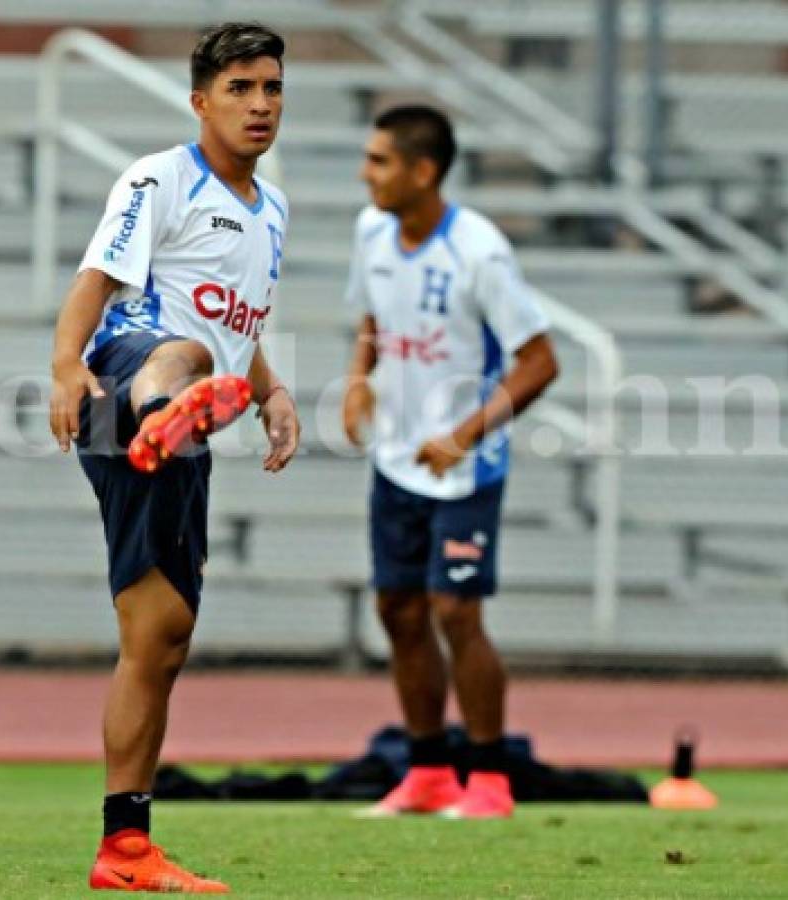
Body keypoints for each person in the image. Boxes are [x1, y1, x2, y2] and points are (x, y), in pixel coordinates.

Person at [49, 21, 299, 894]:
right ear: (200, 102)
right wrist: (64, 370)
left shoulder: (272, 210)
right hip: (126, 377)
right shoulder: (159, 177)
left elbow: (240, 323)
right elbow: (96, 279)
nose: (259, 104)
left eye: (270, 87)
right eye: (239, 89)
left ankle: (124, 849)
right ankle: (165, 413)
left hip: (198, 416)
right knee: (182, 356)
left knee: (159, 638)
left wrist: (268, 391)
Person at [342, 106, 558, 820]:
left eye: (379, 161)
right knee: (396, 608)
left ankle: (490, 779)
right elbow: (371, 318)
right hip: (396, 456)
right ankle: (428, 770)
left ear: (423, 171)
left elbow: (537, 363)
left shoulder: (478, 251)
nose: (365, 173)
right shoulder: (370, 232)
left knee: (455, 610)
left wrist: (465, 432)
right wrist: (356, 379)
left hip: (464, 465)